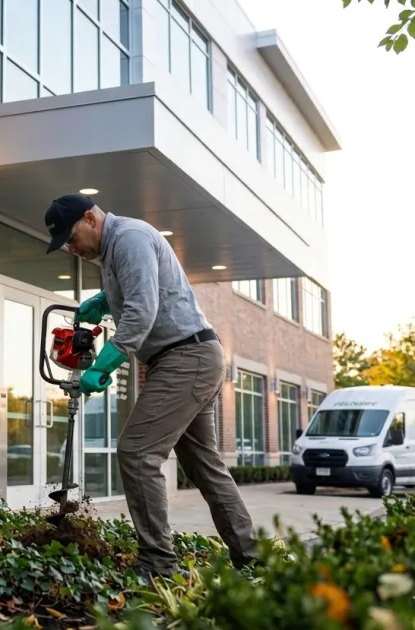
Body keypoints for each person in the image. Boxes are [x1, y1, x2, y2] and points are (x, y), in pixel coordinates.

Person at [44, 193, 259, 581]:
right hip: (190, 357)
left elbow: (143, 311)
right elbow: (142, 294)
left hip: (185, 358)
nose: (72, 249)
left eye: (72, 238)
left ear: (91, 218)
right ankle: (251, 559)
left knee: (137, 452)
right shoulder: (113, 250)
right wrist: (105, 301)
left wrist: (104, 364)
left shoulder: (129, 238)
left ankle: (158, 563)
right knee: (205, 467)